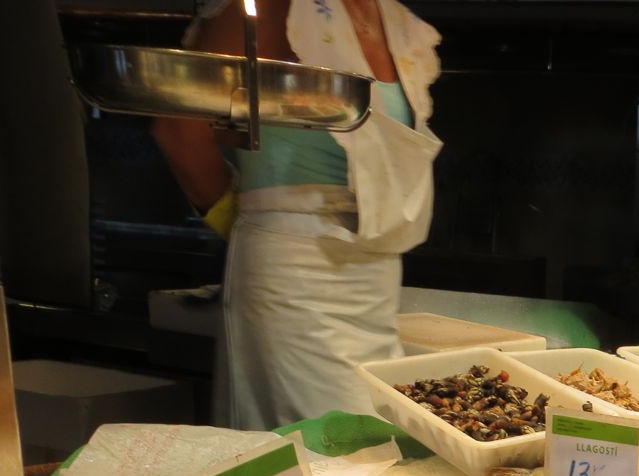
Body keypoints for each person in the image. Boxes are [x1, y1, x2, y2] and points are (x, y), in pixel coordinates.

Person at [153, 0, 442, 431]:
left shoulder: (397, 22)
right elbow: (179, 132)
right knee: (333, 446)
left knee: (382, 437)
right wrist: (253, 225)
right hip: (295, 276)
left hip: (376, 275)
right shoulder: (271, 7)